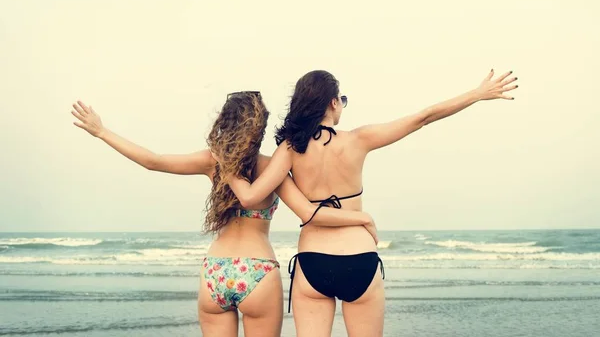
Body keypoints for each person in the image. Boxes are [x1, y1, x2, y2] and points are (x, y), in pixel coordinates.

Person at [224, 69, 519, 337]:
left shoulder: (290, 148)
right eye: (342, 99)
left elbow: (250, 197)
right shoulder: (359, 139)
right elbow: (423, 117)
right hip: (359, 258)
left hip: (313, 262)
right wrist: (477, 94)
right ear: (333, 103)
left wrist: (223, 159)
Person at [71, 91, 377, 337]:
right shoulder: (274, 167)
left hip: (215, 272)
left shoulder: (212, 161)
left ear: (225, 123)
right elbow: (310, 212)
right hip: (257, 273)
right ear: (259, 127)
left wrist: (102, 131)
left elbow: (154, 161)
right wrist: (360, 217)